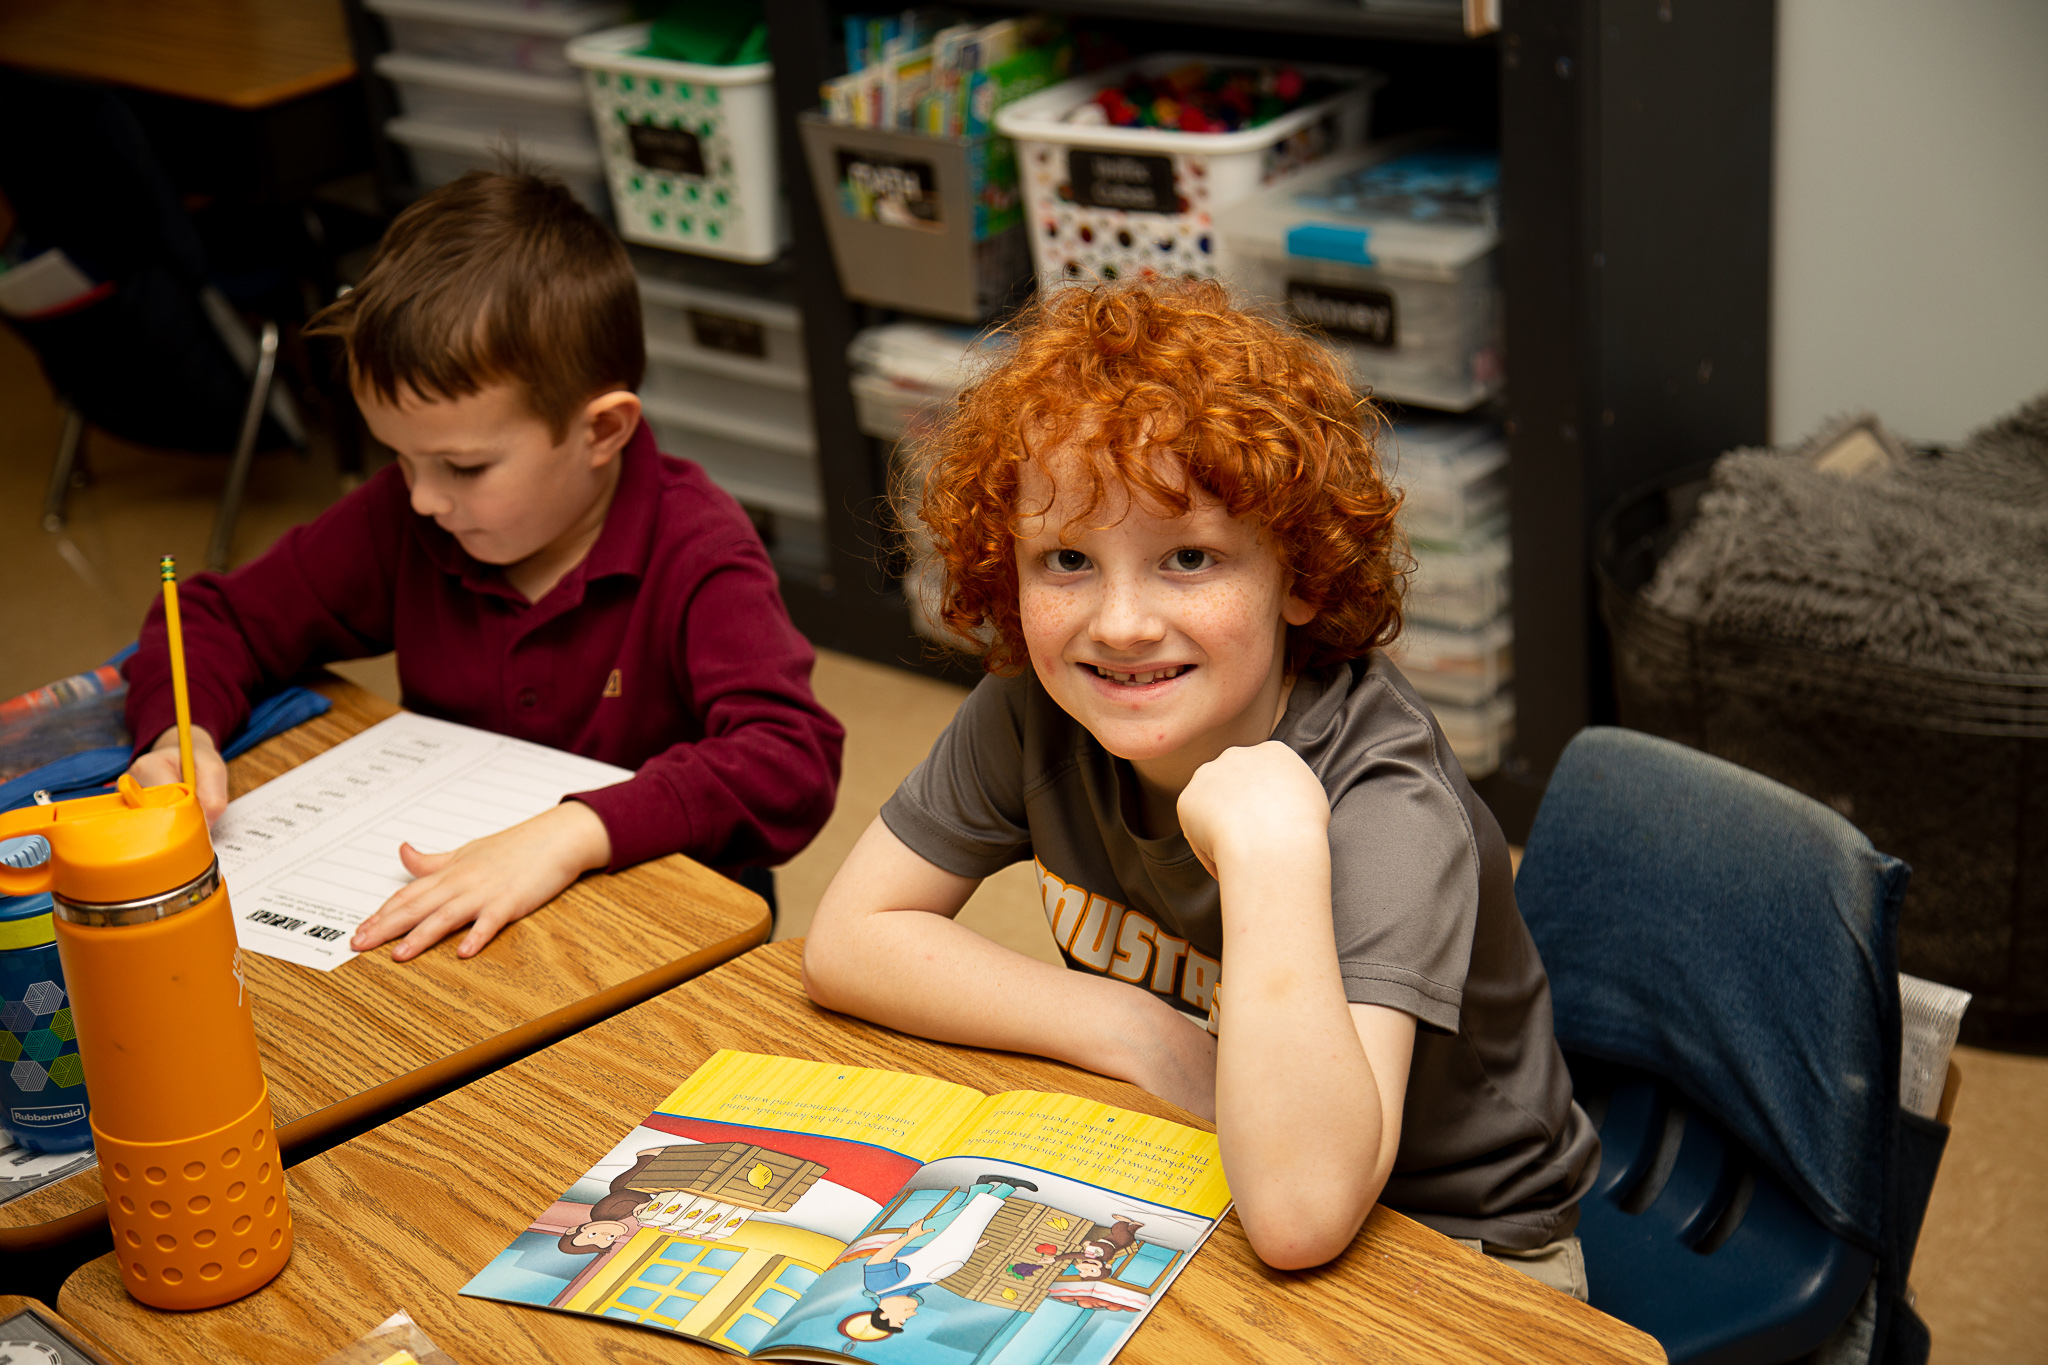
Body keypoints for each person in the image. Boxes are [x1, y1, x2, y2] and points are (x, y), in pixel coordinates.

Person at [802, 279, 1598, 1297]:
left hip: (1451, 1244)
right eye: (1067, 560)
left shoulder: (1385, 807)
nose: (1121, 623)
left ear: (1298, 575)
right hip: (1208, 1150)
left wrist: (1271, 855)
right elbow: (850, 938)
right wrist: (1132, 1028)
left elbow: (1303, 1214)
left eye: (1189, 557)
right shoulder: (1039, 705)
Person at [123, 168, 843, 962]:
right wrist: (181, 732)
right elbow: (213, 615)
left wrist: (577, 830)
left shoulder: (697, 548)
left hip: (664, 929)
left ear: (601, 431)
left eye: (463, 468)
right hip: (465, 917)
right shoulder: (407, 515)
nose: (425, 498)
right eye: (401, 459)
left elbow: (790, 757)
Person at [837, 1177, 1037, 1341]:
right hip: (954, 1244)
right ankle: (984, 1183)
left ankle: (1007, 1186)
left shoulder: (879, 1284)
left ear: (884, 1314)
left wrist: (910, 1236)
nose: (910, 1315)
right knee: (971, 1215)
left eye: (901, 1320)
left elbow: (880, 1258)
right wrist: (968, 1247)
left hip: (928, 1238)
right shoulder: (909, 1290)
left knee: (973, 1213)